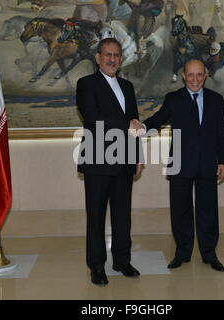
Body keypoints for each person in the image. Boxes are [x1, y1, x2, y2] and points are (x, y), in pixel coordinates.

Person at [131, 59, 224, 272]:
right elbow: (159, 119)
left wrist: (223, 161)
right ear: (184, 76)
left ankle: (209, 254)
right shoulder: (173, 99)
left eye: (199, 74)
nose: (195, 79)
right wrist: (142, 127)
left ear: (206, 76)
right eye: (191, 75)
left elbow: (222, 133)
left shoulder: (216, 99)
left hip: (207, 164)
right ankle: (182, 253)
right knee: (180, 210)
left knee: (208, 210)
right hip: (180, 164)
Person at [76, 38, 143, 286]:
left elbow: (135, 123)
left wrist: (138, 156)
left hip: (125, 161)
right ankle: (96, 266)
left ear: (121, 59)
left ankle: (122, 261)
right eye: (107, 54)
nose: (112, 59)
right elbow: (92, 118)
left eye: (116, 55)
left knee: (123, 214)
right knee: (96, 216)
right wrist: (126, 124)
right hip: (98, 161)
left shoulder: (127, 86)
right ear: (97, 57)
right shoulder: (86, 84)